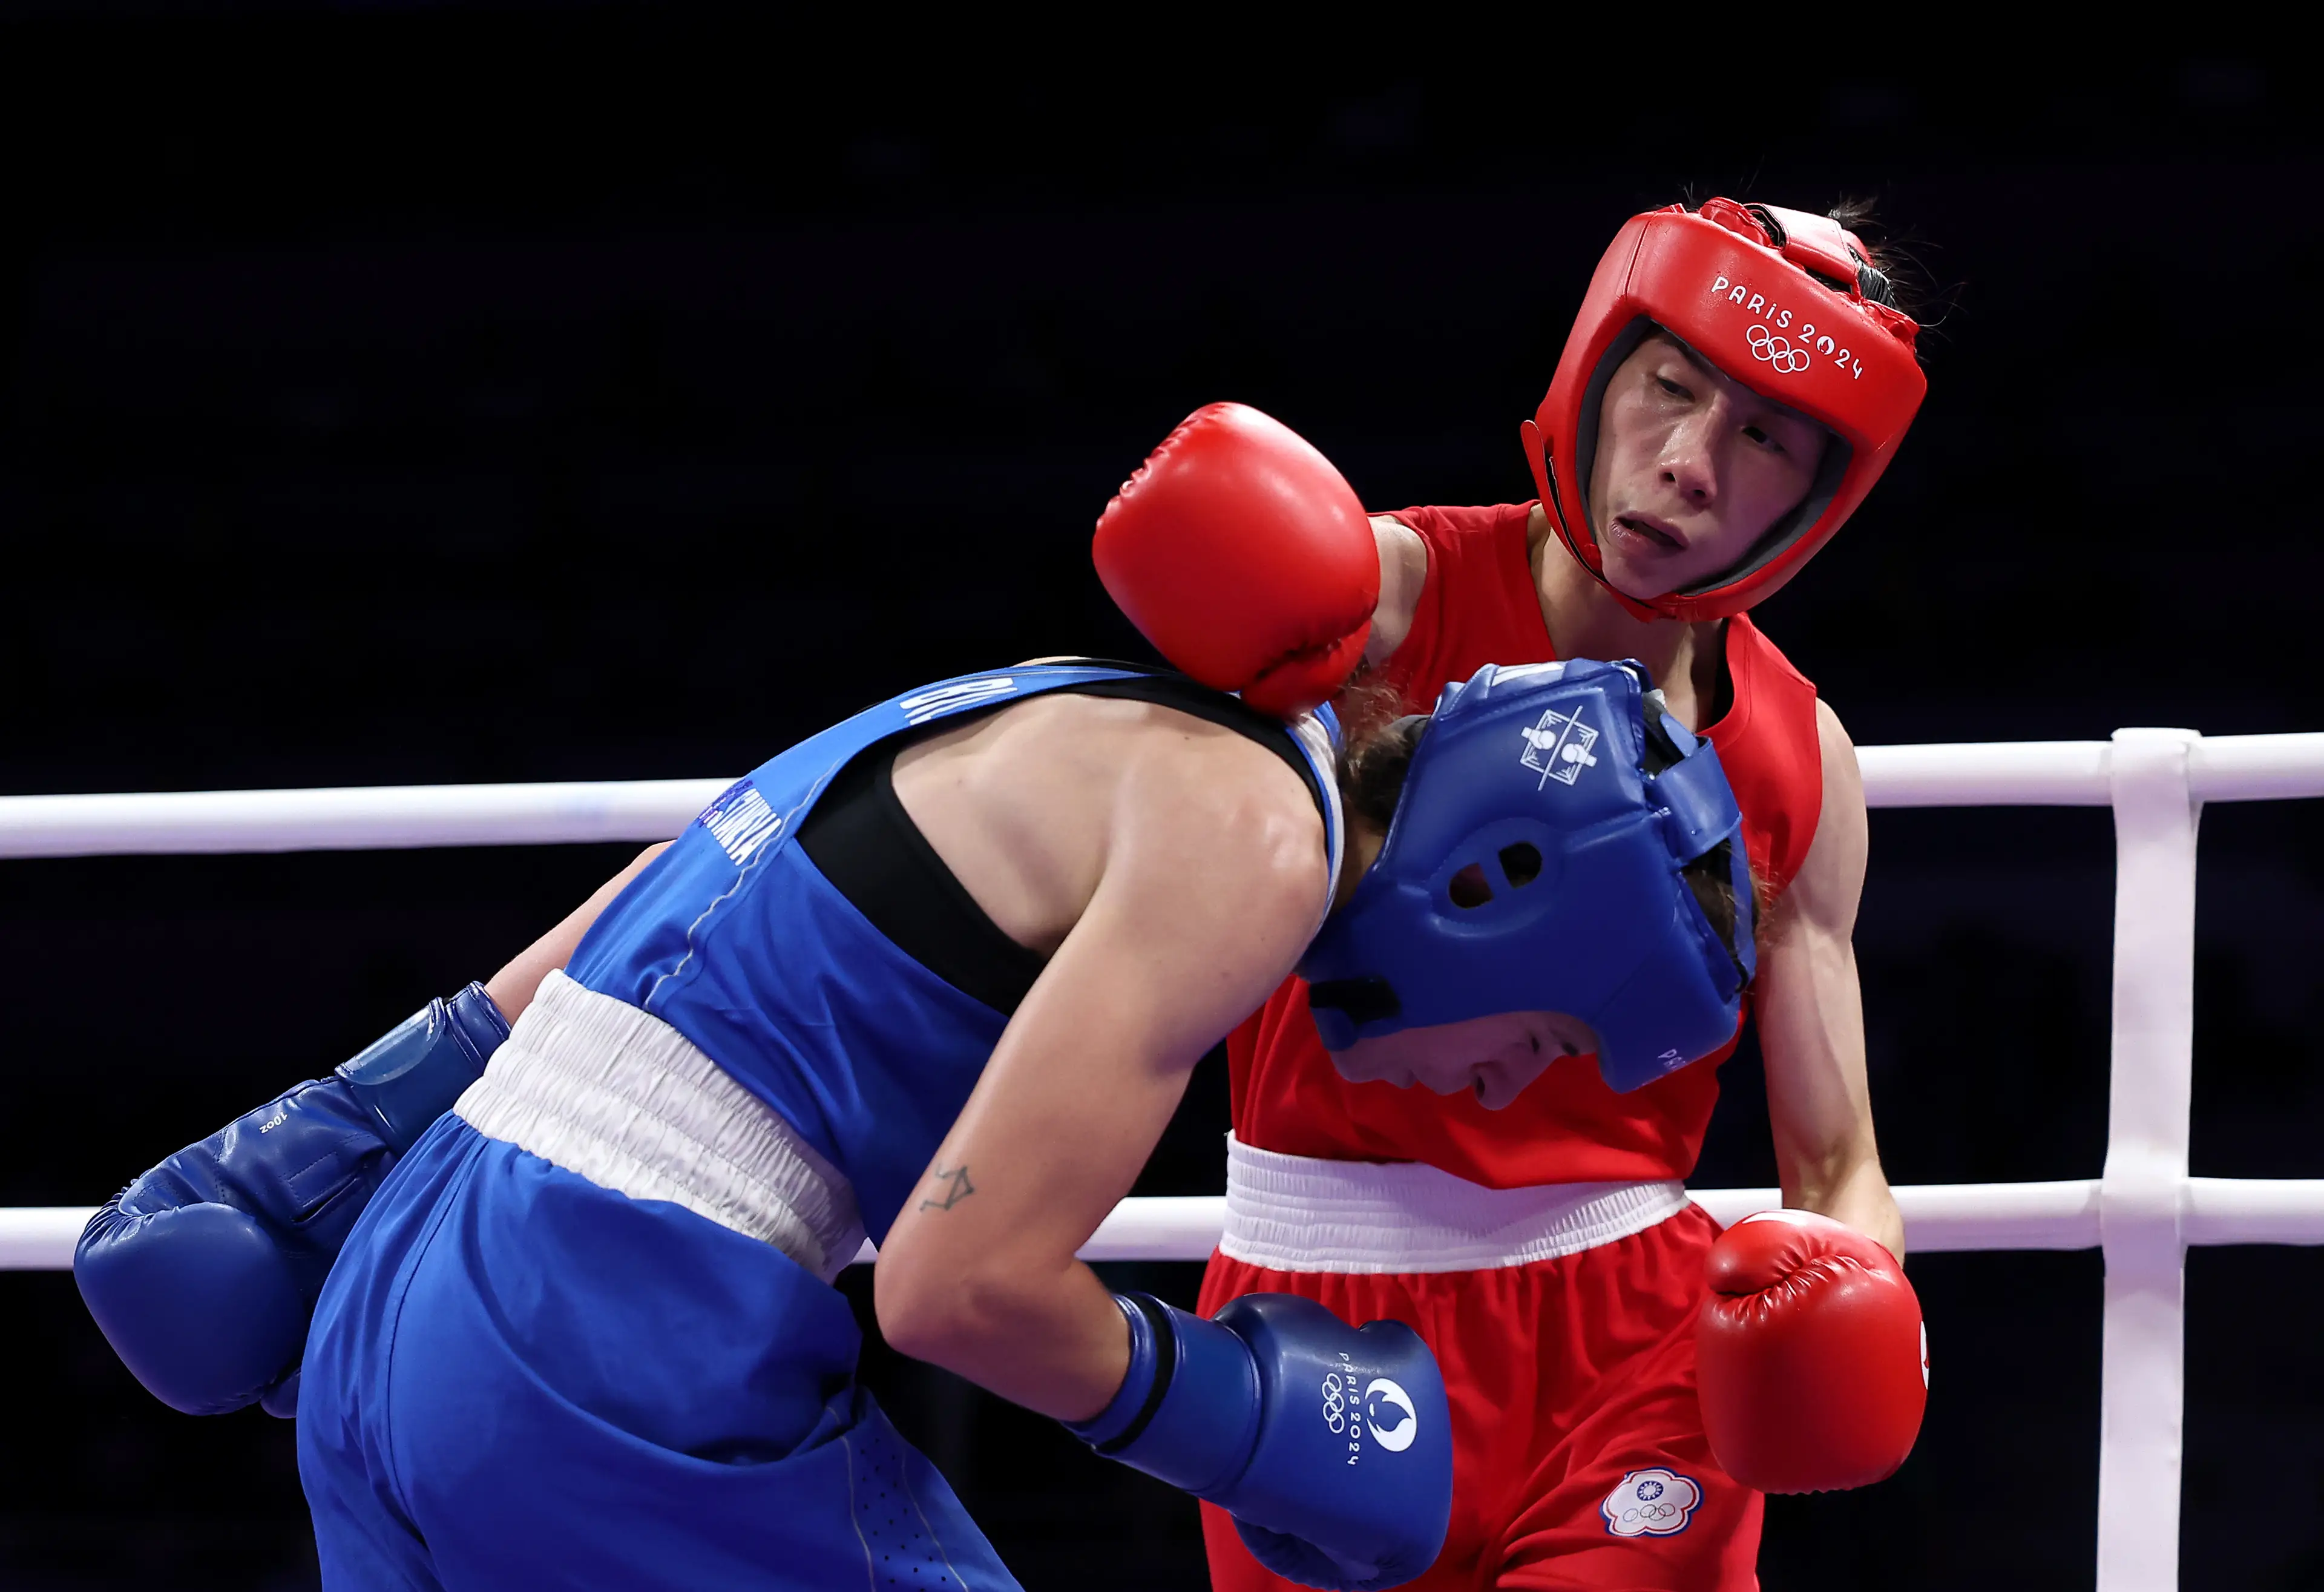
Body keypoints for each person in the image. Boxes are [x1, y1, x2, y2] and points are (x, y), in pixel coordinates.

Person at [74, 404, 1769, 1592]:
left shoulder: (1063, 702)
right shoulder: (1261, 833)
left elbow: (670, 880)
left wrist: (337, 1131)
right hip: (608, 1329)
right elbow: (959, 1287)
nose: (1495, 1094)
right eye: (1541, 1043)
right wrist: (1260, 1414)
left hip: (411, 1285)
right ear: (1500, 903)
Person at [1154, 199, 1934, 1590]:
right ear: (1595, 377)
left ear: (1816, 495)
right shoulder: (1371, 605)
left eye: (1762, 437)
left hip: (1633, 1335)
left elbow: (1837, 1169)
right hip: (1312, 1315)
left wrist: (1852, 1291)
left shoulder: (1796, 755)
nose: (1690, 467)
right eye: (1671, 391)